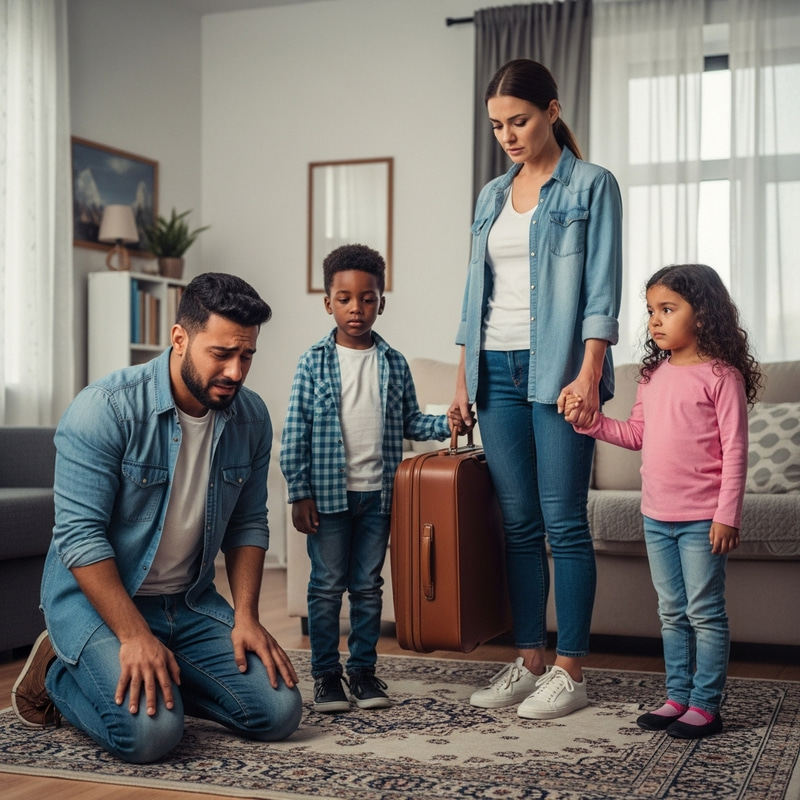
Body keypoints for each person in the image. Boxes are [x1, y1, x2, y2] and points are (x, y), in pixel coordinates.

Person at [11, 273, 303, 763]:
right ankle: (58, 673)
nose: (235, 370)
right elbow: (79, 538)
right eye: (221, 353)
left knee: (278, 712)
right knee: (151, 737)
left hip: (185, 603)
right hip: (100, 606)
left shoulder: (250, 418)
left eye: (247, 355)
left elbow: (249, 522)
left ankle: (160, 672)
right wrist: (132, 635)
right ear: (180, 338)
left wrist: (247, 617)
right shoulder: (105, 409)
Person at [448, 59, 623, 719]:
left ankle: (571, 671)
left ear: (551, 109)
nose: (509, 135)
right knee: (517, 525)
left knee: (563, 522)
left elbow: (602, 290)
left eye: (518, 120)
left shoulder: (592, 187)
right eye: (497, 126)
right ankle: (529, 660)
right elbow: (472, 294)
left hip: (560, 371)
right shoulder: (491, 195)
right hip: (495, 369)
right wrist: (463, 378)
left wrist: (588, 371)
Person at [562, 263, 762, 739]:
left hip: (702, 520)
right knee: (671, 612)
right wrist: (588, 422)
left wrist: (726, 515)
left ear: (704, 313)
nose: (654, 320)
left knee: (705, 612)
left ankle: (706, 705)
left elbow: (735, 450)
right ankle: (678, 696)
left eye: (667, 309)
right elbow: (635, 434)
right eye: (651, 310)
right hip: (656, 515)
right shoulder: (652, 376)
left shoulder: (722, 376)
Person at [281, 244, 452, 713]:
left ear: (382, 301)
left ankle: (363, 672)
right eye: (345, 298)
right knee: (325, 586)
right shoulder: (312, 362)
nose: (357, 308)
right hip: (328, 499)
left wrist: (449, 424)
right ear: (327, 302)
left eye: (368, 298)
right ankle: (326, 676)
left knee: (368, 587)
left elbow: (411, 422)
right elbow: (294, 432)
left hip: (378, 498)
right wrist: (299, 493)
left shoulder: (393, 362)